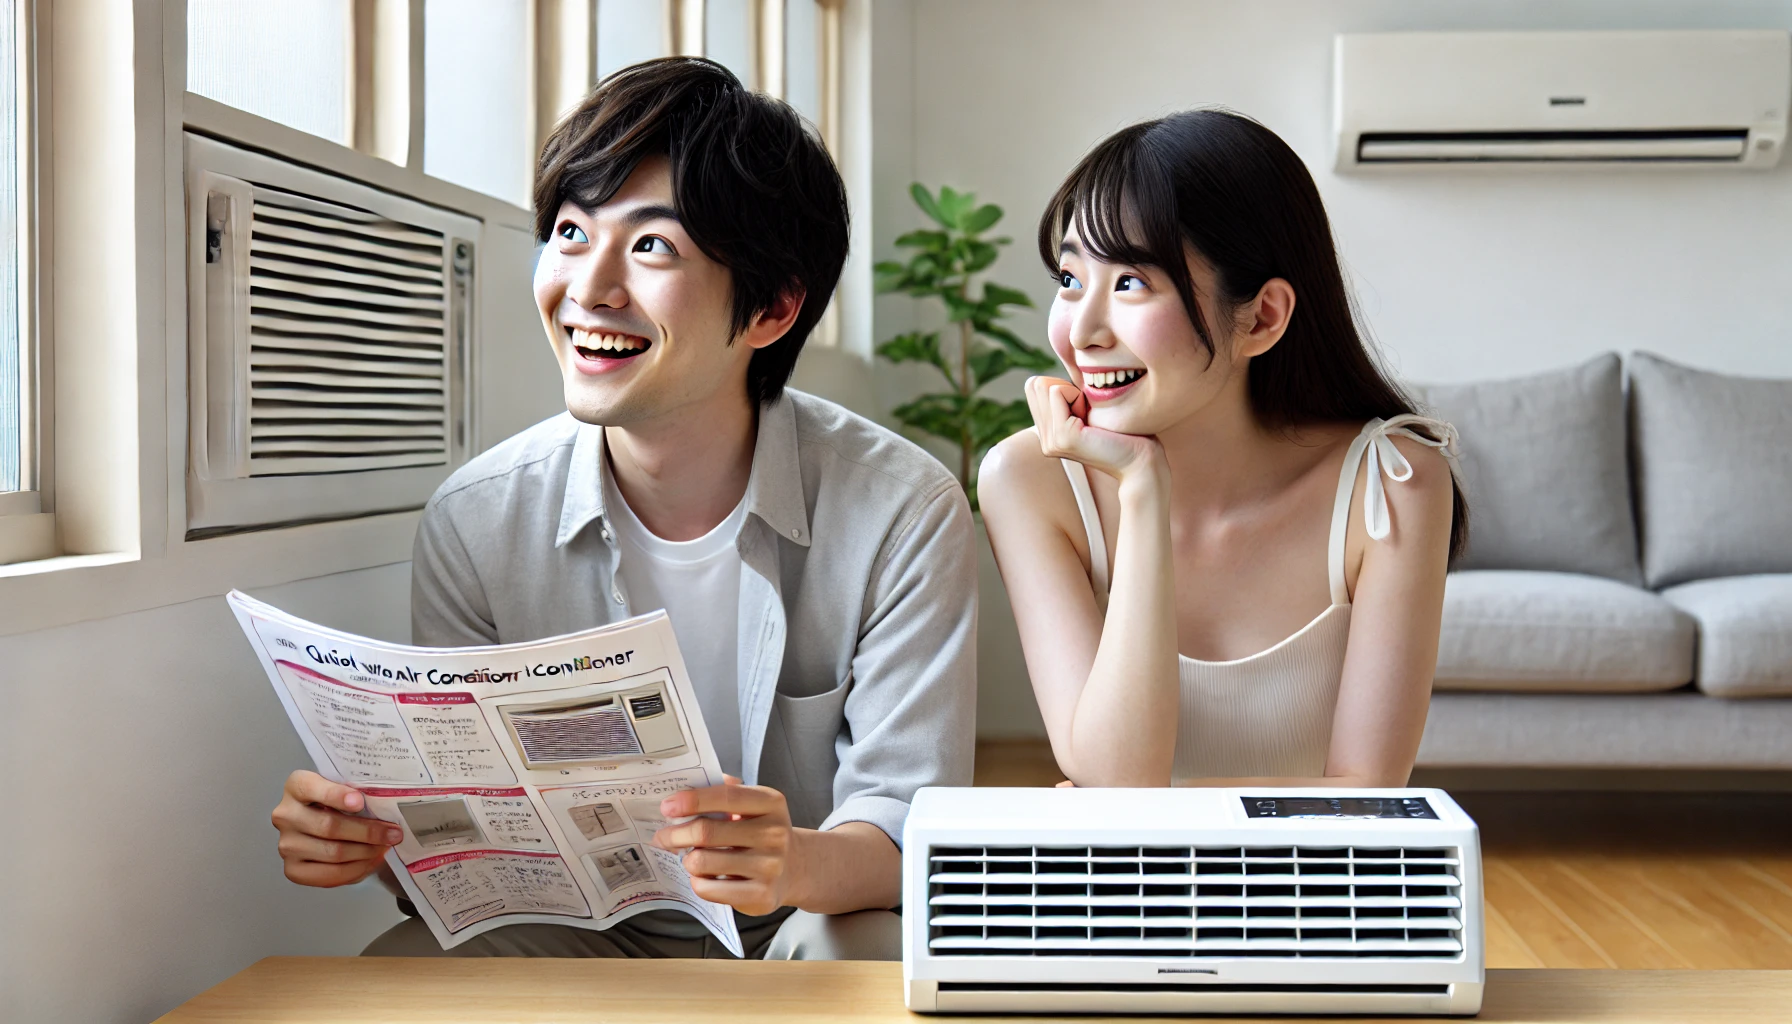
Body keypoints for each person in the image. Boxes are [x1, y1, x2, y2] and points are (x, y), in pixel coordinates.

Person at [268, 58, 977, 960]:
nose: (590, 288)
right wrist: (370, 842)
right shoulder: (477, 521)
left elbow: (909, 831)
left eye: (653, 247)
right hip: (582, 926)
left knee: (858, 949)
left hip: (808, 917)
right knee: (397, 972)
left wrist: (789, 862)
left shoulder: (901, 510)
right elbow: (467, 846)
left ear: (773, 308)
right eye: (570, 232)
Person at [979, 109, 1465, 789]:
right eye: (1069, 280)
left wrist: (1121, 807)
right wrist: (1144, 489)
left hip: (1315, 894)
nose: (1081, 331)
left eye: (1130, 283)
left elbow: (1366, 800)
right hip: (1119, 896)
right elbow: (1120, 774)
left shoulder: (1393, 483)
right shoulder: (1029, 480)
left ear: (1261, 317)